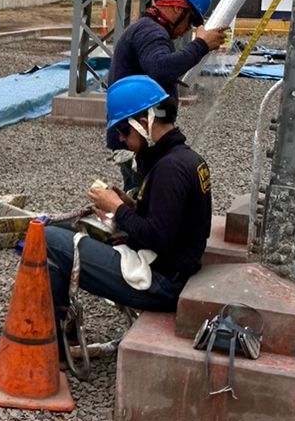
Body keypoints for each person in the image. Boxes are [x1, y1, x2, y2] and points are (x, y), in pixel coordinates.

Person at [44, 74, 213, 331]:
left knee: (46, 238)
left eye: (123, 131)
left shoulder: (170, 169)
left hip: (161, 281)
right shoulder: (184, 159)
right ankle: (59, 328)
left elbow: (158, 237)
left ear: (144, 123)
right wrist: (132, 206)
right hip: (171, 268)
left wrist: (118, 208)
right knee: (61, 228)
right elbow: (172, 223)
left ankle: (49, 338)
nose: (121, 139)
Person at [108, 0, 225, 184]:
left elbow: (156, 71)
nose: (188, 29)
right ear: (179, 9)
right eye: (191, 20)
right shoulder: (151, 32)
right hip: (138, 134)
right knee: (144, 196)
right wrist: (201, 45)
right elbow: (161, 68)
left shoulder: (145, 28)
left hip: (136, 132)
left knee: (143, 194)